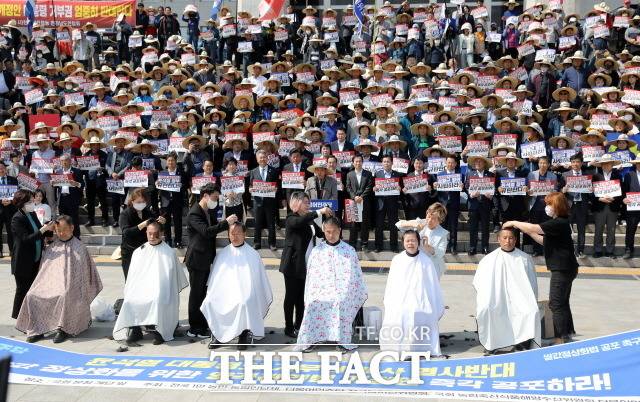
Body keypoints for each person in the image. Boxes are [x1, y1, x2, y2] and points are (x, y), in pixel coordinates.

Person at [503, 192, 579, 345]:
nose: (547, 207)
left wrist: (514, 222)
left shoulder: (558, 222)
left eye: (549, 204)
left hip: (562, 269)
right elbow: (544, 240)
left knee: (556, 304)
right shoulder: (559, 222)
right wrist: (529, 231)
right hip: (567, 267)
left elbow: (535, 227)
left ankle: (559, 339)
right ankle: (567, 333)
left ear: (556, 206)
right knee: (563, 302)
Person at [16, 215, 102, 343]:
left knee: (64, 294)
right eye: (58, 230)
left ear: (72, 228)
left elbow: (83, 275)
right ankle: (37, 329)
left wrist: (70, 285)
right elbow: (44, 272)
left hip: (72, 287)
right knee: (32, 294)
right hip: (51, 284)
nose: (61, 233)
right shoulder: (52, 247)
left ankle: (63, 329)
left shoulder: (80, 248)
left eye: (64, 230)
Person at [295, 216, 367, 352]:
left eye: (334, 231)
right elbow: (312, 278)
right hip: (320, 290)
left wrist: (344, 291)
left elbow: (354, 277)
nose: (331, 235)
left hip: (342, 290)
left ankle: (342, 340)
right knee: (312, 302)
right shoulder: (317, 251)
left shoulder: (349, 251)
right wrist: (315, 292)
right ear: (323, 231)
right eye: (327, 232)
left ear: (340, 231)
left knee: (340, 301)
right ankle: (311, 339)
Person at [113, 220, 189, 346]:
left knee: (157, 299)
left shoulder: (169, 252)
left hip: (161, 290)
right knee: (129, 300)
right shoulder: (139, 251)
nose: (152, 237)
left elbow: (170, 280)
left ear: (162, 233)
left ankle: (160, 332)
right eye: (150, 234)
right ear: (146, 233)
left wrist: (157, 289)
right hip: (142, 289)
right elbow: (133, 278)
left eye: (156, 234)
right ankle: (135, 330)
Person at [202, 222, 273, 350]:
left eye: (238, 233)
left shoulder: (253, 254)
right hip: (225, 292)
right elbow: (215, 280)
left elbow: (258, 282)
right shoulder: (222, 254)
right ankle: (218, 335)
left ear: (244, 234)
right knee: (210, 301)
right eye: (232, 234)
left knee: (243, 302)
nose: (234, 237)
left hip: (245, 292)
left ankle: (243, 334)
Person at [473, 227, 540, 354]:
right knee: (486, 309)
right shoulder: (488, 259)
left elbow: (532, 284)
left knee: (531, 311)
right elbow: (479, 283)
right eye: (504, 238)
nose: (507, 241)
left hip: (520, 298)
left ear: (515, 240)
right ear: (498, 239)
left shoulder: (525, 259)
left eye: (511, 238)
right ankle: (491, 344)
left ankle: (522, 344)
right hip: (496, 298)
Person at [184, 183, 237, 338]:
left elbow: (215, 228)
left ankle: (203, 324)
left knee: (204, 293)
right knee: (196, 294)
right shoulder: (194, 213)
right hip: (196, 259)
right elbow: (206, 232)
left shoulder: (208, 211)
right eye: (214, 197)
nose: (216, 201)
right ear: (205, 196)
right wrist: (226, 222)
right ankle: (194, 327)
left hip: (206, 258)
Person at [380, 229, 444, 357]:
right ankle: (398, 348)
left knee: (421, 312)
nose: (410, 243)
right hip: (400, 300)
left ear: (418, 242)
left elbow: (432, 286)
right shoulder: (397, 260)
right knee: (399, 313)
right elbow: (392, 285)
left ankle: (420, 349)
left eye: (413, 240)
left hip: (421, 300)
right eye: (407, 241)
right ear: (403, 242)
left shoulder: (426, 261)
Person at [279, 191, 331, 338]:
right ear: (297, 203)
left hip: (305, 263)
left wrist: (330, 224)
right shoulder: (291, 218)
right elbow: (298, 223)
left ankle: (299, 324)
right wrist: (319, 211)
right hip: (292, 264)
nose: (308, 205)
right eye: (306, 202)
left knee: (302, 296)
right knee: (291, 296)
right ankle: (288, 327)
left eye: (309, 202)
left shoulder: (308, 219)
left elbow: (321, 233)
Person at [10, 190, 55, 319]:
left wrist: (50, 228)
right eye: (29, 201)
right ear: (22, 203)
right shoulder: (17, 219)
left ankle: (30, 314)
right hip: (23, 261)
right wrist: (43, 230)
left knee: (32, 289)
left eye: (32, 200)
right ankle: (18, 316)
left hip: (35, 258)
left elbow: (40, 232)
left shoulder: (32, 214)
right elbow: (26, 238)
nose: (32, 203)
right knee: (22, 290)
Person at [119, 188, 166, 280]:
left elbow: (156, 227)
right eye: (138, 202)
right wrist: (143, 224)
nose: (141, 204)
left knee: (145, 279)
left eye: (143, 202)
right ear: (132, 201)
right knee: (131, 279)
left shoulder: (147, 212)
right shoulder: (125, 214)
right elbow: (126, 233)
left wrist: (161, 222)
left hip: (145, 250)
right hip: (130, 251)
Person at [248, 149, 279, 251]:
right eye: (260, 157)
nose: (262, 159)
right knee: (257, 223)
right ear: (257, 159)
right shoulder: (253, 171)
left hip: (270, 201)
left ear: (267, 158)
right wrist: (250, 189)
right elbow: (250, 186)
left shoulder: (274, 170)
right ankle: (257, 243)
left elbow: (277, 185)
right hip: (257, 202)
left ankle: (272, 243)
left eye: (264, 157)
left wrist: (276, 188)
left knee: (271, 223)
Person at [54, 154, 83, 238]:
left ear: (70, 161)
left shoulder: (77, 171)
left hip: (72, 198)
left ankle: (76, 237)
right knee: (62, 220)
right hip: (62, 198)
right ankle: (64, 236)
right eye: (62, 161)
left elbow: (82, 185)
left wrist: (76, 183)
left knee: (74, 219)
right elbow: (56, 187)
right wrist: (53, 183)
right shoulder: (58, 172)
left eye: (66, 160)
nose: (64, 162)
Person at [0, 162, 18, 257]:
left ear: (6, 169)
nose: (1, 170)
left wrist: (10, 201)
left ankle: (12, 250)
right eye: (0, 169)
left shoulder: (13, 180)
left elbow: (16, 194)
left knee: (11, 231)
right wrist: (1, 201)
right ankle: (0, 251)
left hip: (10, 209)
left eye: (2, 168)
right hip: (0, 208)